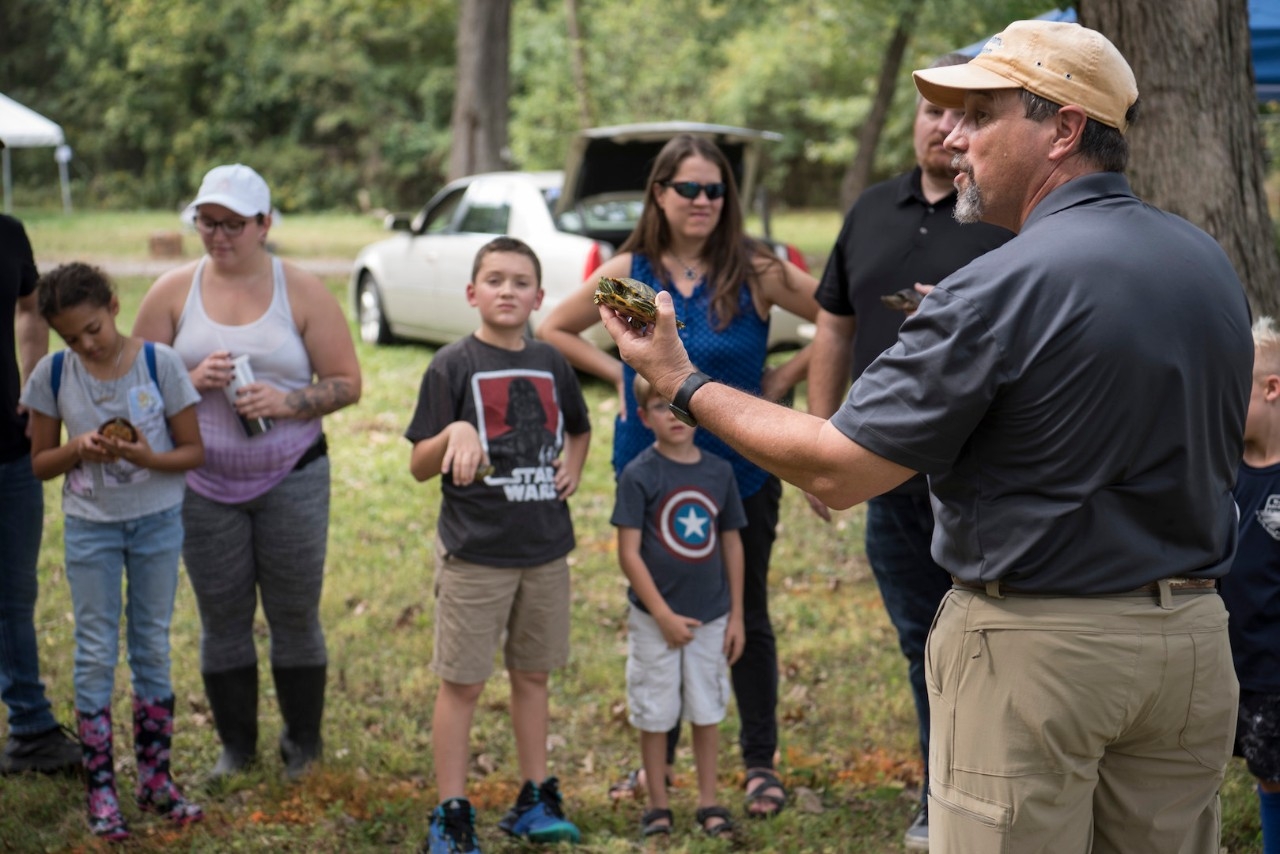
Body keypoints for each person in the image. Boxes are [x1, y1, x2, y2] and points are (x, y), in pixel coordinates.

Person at [598, 20, 1253, 853]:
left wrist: (678, 380)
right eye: (949, 117)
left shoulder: (996, 287)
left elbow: (835, 471)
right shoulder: (1206, 263)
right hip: (1190, 649)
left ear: (1062, 129)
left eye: (980, 116)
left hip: (1039, 656)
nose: (951, 138)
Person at [537, 133, 818, 817]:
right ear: (658, 194)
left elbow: (839, 319)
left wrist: (785, 375)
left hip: (742, 467)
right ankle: (655, 769)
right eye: (687, 188)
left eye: (715, 190)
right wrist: (621, 373)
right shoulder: (631, 271)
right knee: (657, 615)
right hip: (653, 468)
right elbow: (554, 327)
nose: (702, 201)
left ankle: (757, 763)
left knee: (744, 612)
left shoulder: (756, 268)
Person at [806, 53, 1013, 850]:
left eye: (963, 115)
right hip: (881, 469)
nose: (944, 129)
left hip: (978, 477)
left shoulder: (1001, 213)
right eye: (932, 113)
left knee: (990, 641)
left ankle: (994, 790)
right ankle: (941, 792)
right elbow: (833, 324)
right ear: (918, 124)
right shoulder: (869, 211)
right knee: (920, 639)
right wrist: (825, 437)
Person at [132, 163, 362, 782]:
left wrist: (287, 402)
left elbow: (347, 383)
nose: (218, 236)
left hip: (292, 472)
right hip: (202, 482)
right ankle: (236, 748)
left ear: (265, 224)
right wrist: (185, 380)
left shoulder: (304, 291)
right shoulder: (172, 292)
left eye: (233, 223)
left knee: (294, 612)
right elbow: (131, 389)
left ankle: (303, 744)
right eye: (207, 222)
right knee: (222, 615)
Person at [406, 236, 590, 854]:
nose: (507, 290)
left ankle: (535, 798)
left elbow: (580, 428)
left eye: (520, 282)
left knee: (533, 675)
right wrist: (455, 429)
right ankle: (452, 812)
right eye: (494, 280)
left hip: (543, 550)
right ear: (471, 293)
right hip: (475, 554)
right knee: (462, 683)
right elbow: (418, 464)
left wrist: (575, 465)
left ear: (539, 296)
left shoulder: (552, 362)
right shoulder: (451, 365)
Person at [21, 263, 205, 839]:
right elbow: (38, 465)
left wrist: (147, 458)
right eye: (71, 337)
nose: (86, 344)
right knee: (95, 647)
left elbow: (193, 452)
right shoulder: (54, 375)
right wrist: (77, 448)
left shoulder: (160, 364)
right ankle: (101, 786)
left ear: (114, 305)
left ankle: (156, 778)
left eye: (93, 329)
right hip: (91, 530)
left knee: (150, 642)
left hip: (156, 523)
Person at [613, 374, 745, 839]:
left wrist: (736, 615)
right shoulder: (638, 474)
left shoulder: (718, 474)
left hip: (711, 616)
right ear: (645, 417)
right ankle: (658, 805)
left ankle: (709, 801)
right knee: (655, 710)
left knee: (707, 709)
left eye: (681, 408)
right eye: (661, 408)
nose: (673, 417)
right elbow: (628, 553)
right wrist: (662, 615)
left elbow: (731, 544)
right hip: (655, 621)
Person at [0, 202, 82, 777]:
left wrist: (33, 383)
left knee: (13, 596)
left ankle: (30, 729)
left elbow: (29, 306)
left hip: (7, 446)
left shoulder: (8, 234)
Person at [1221, 316, 1280, 854]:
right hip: (1239, 665)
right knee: (1267, 773)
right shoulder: (1223, 473)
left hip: (1278, 666)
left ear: (1271, 387)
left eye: (1231, 387)